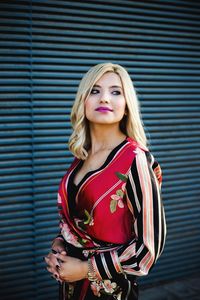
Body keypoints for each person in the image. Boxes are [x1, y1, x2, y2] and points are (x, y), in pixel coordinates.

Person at [45, 62, 166, 300]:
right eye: (95, 90)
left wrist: (84, 269)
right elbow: (80, 226)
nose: (104, 99)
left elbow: (147, 251)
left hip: (111, 292)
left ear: (127, 105)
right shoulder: (81, 157)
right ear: (83, 100)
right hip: (71, 291)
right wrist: (60, 245)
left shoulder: (135, 159)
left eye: (115, 92)